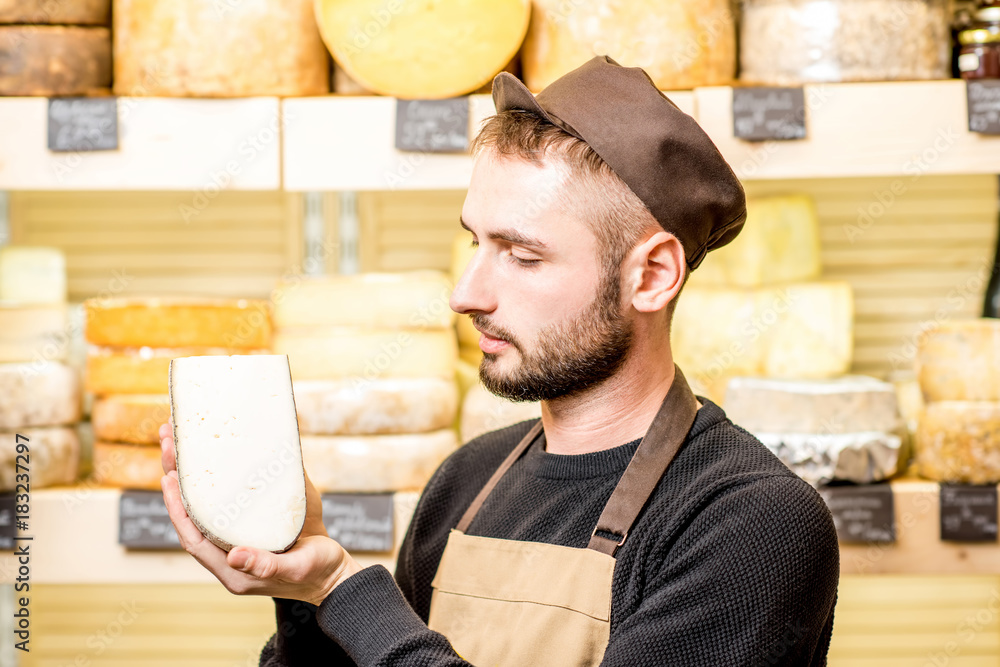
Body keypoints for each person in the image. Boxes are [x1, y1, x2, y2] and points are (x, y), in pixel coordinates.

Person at [158, 55, 840, 666]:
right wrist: (302, 591)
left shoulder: (754, 524)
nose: (465, 293)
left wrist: (343, 589)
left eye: (521, 254)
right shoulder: (468, 479)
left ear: (653, 275)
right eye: (474, 244)